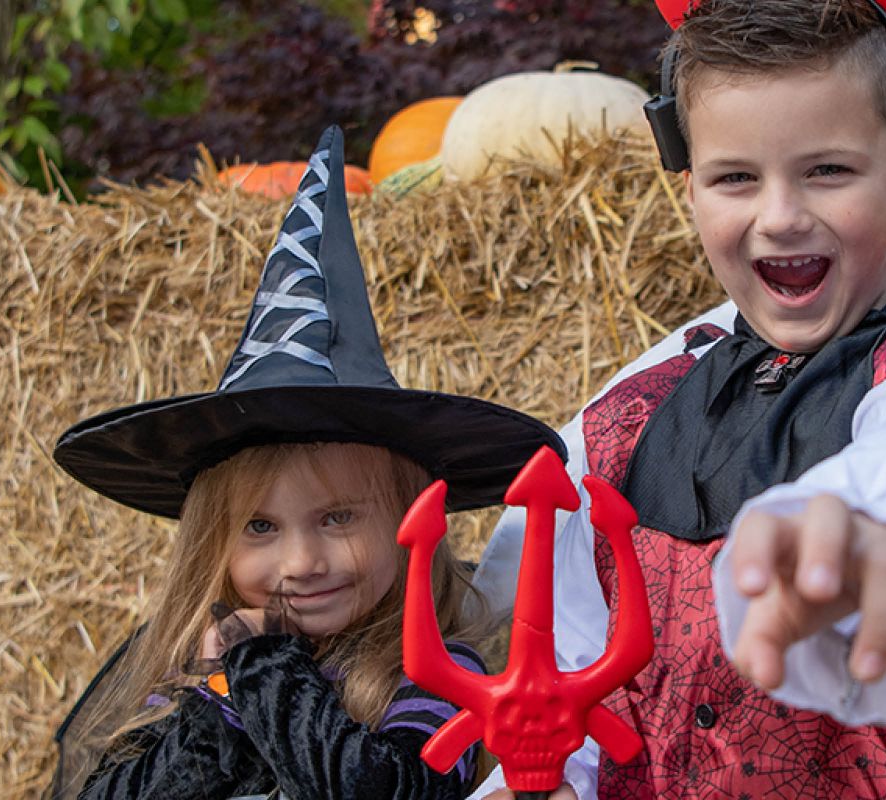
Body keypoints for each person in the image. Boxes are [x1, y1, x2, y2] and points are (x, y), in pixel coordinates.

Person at [468, 0, 886, 796]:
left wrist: (868, 521)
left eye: (827, 170)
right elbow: (576, 673)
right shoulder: (625, 425)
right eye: (736, 179)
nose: (780, 217)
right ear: (690, 194)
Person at [44, 126, 566, 800]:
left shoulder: (435, 680)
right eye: (259, 528)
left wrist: (261, 662)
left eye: (337, 517)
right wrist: (219, 708)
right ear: (213, 545)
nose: (299, 563)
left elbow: (379, 791)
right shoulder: (196, 680)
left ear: (410, 526)